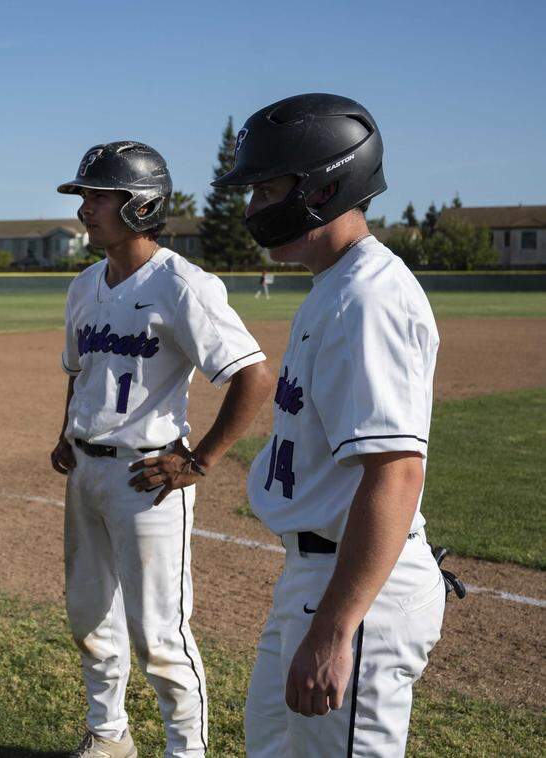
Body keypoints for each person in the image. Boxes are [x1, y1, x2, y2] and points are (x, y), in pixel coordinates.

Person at [211, 92, 447, 756]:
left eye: (266, 187)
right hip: (315, 577)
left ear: (325, 185)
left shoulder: (370, 299)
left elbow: (396, 472)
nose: (253, 206)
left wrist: (339, 628)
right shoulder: (334, 285)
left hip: (354, 589)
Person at [50, 141, 273, 757]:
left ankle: (186, 751)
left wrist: (198, 461)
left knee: (160, 636)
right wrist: (66, 432)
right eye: (85, 197)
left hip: (147, 478)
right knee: (90, 620)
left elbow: (252, 375)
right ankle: (109, 735)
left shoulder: (182, 284)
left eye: (99, 197)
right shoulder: (85, 286)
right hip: (88, 471)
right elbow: (80, 368)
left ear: (141, 205)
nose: (85, 209)